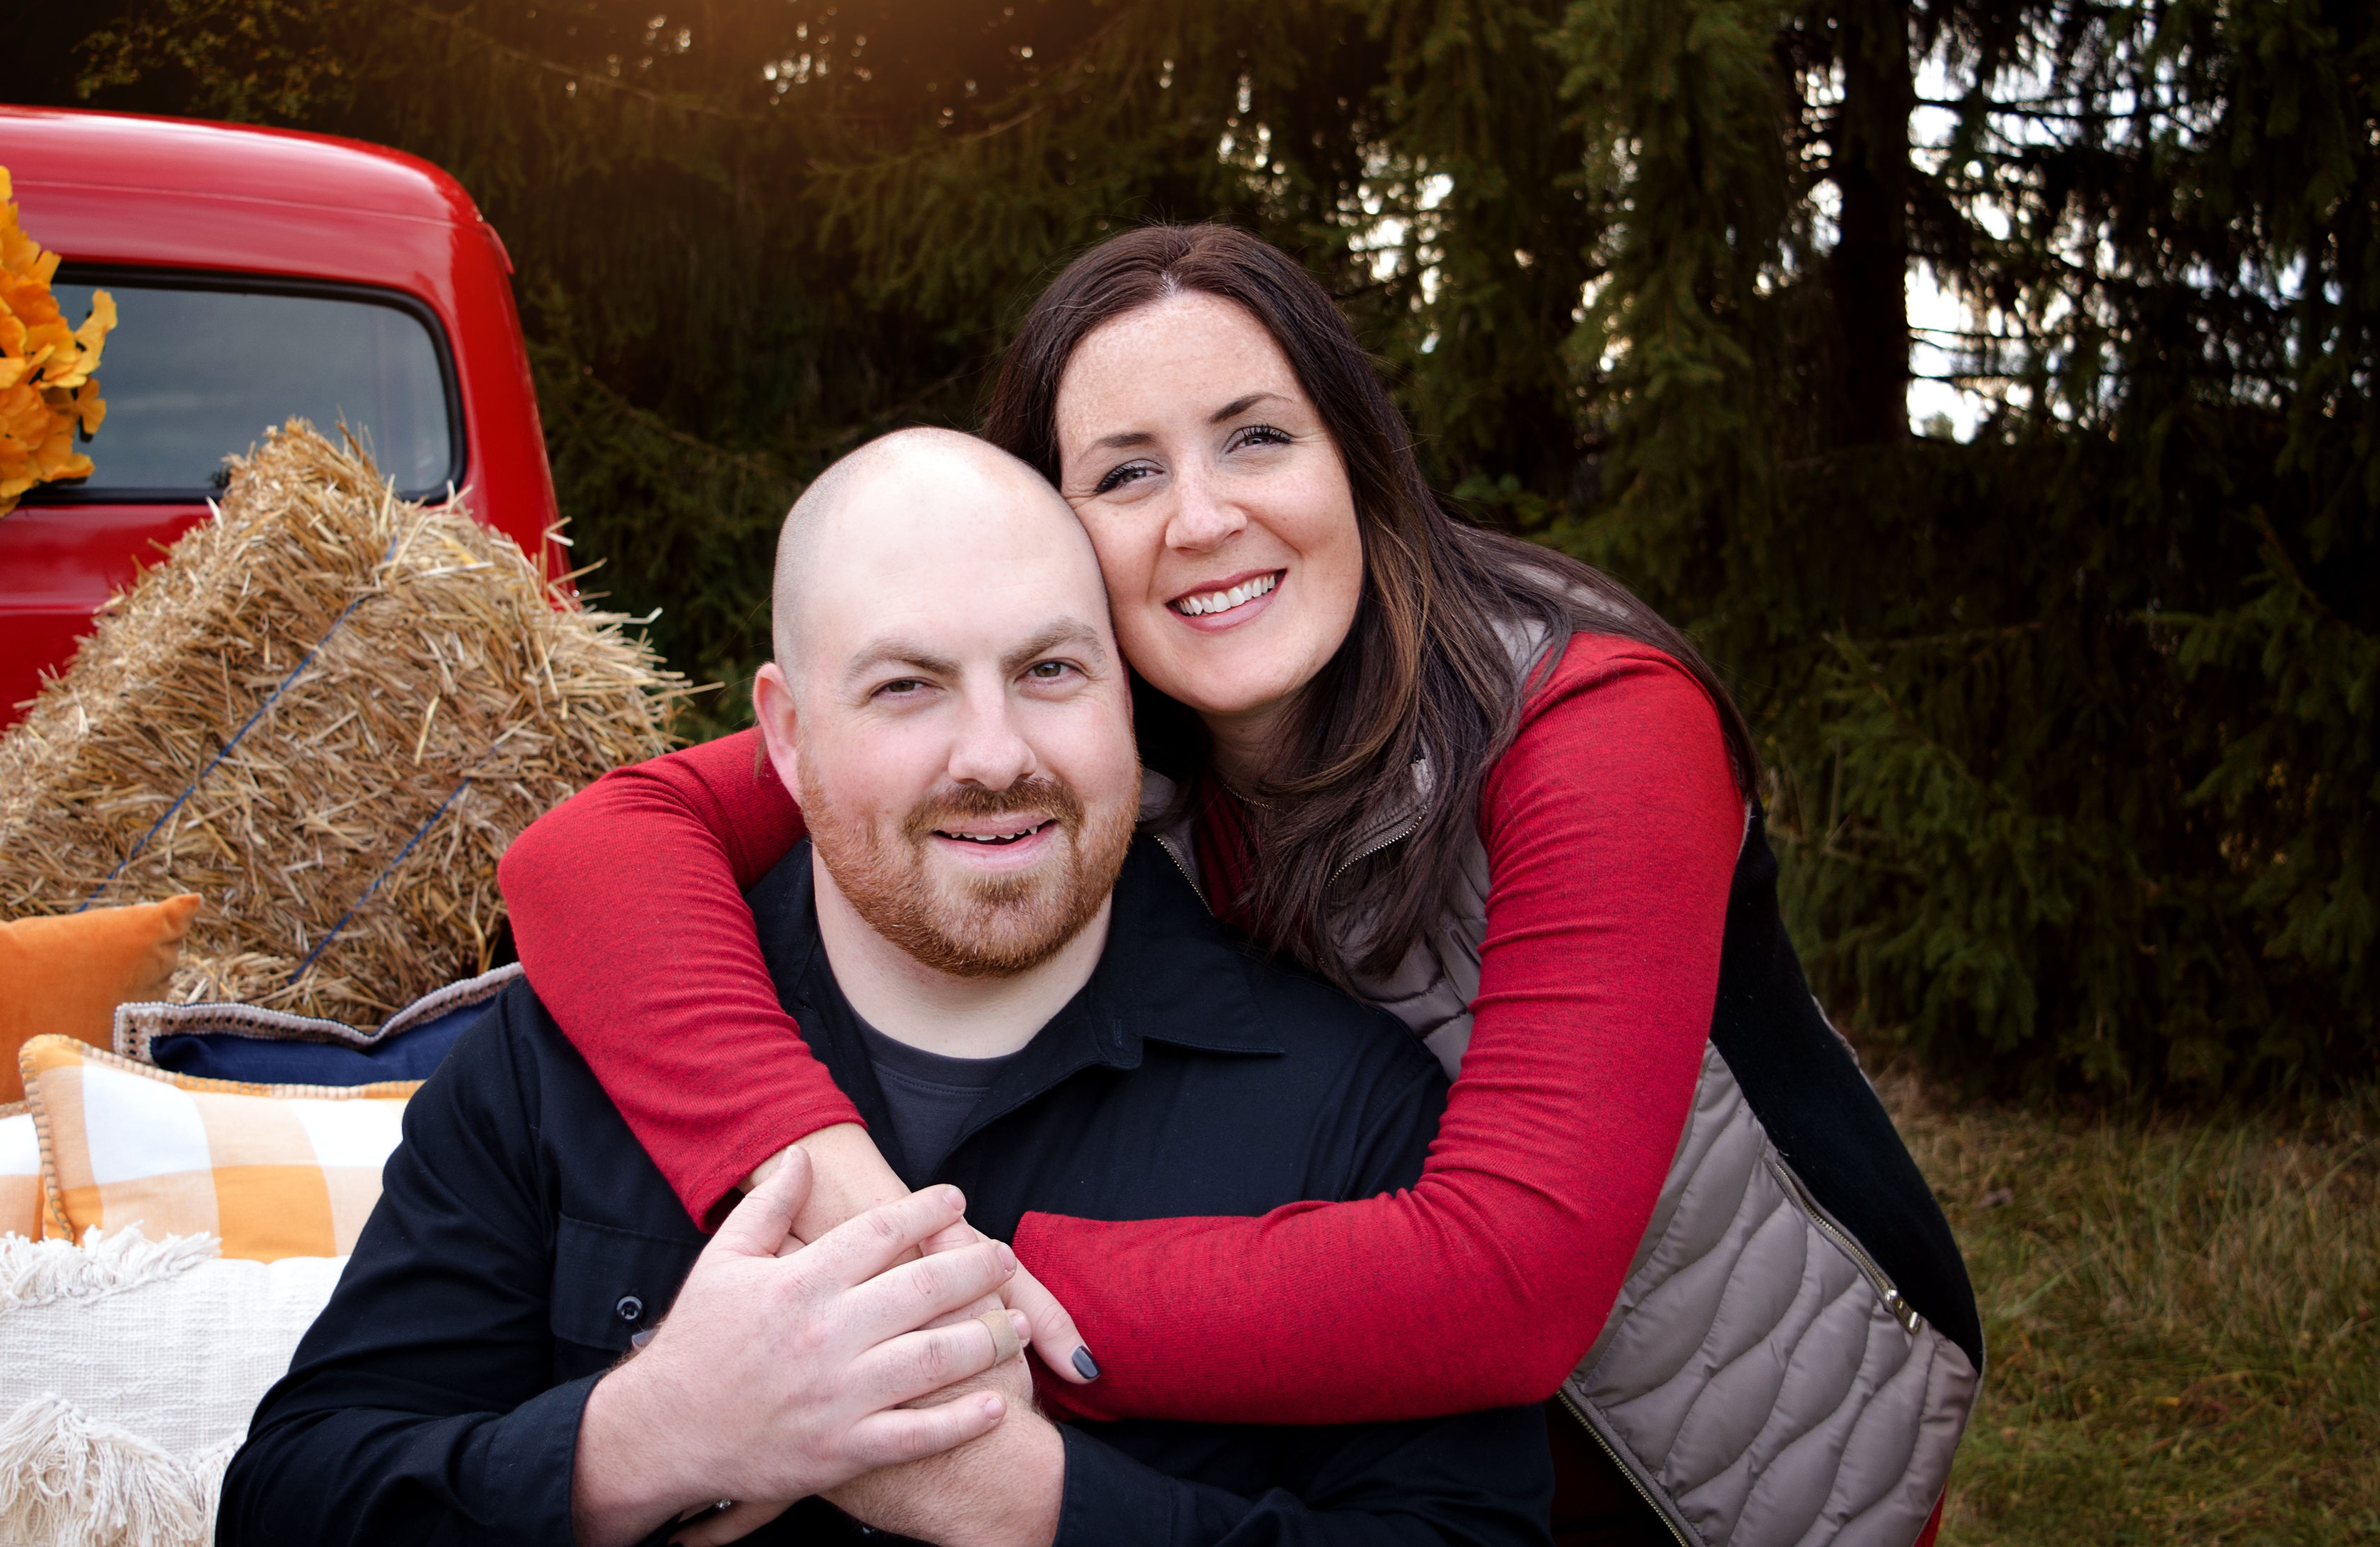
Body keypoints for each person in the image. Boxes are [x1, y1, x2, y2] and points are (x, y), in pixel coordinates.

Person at [500, 226, 1983, 1547]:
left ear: (1355, 457)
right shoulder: (1062, 726)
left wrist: (943, 1308)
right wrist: (828, 1178)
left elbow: (1517, 1279)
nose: (1202, 518)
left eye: (1256, 438)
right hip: (1388, 1443)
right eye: (1127, 472)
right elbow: (590, 851)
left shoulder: (1596, 723)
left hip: (1736, 1434)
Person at [222, 430, 1554, 1547]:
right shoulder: (561, 1057)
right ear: (787, 736)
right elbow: (289, 1500)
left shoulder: (1349, 1110)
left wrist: (1039, 1507)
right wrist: (648, 1437)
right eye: (909, 687)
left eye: (1049, 671)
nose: (995, 755)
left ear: (1128, 702)